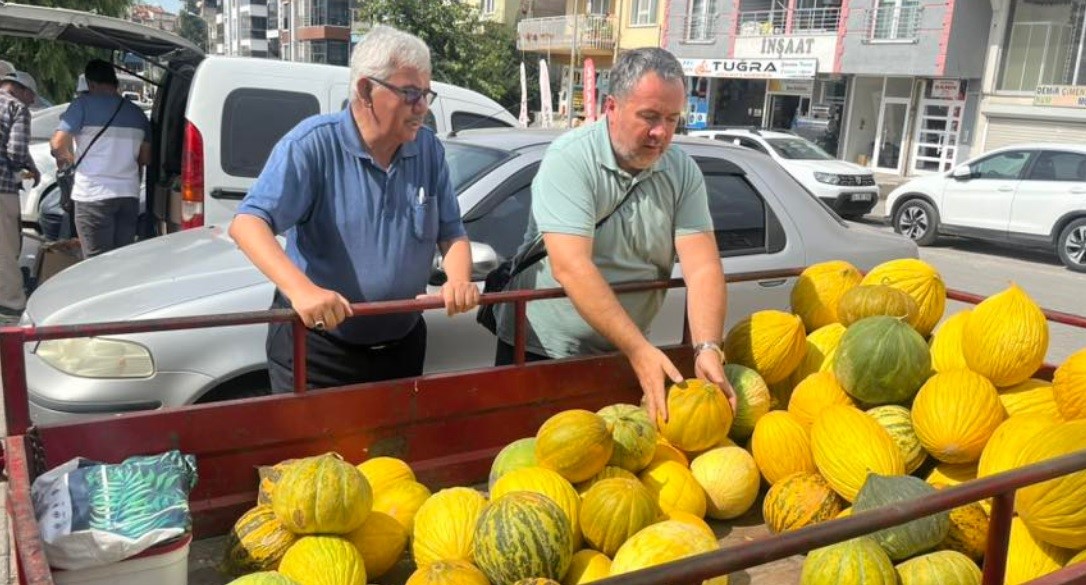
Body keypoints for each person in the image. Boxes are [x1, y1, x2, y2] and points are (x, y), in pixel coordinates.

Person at [229, 25, 479, 393]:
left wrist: (458, 280)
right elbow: (248, 223)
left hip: (401, 347)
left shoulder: (428, 149)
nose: (422, 107)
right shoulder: (312, 144)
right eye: (410, 93)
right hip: (319, 349)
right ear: (365, 90)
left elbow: (452, 232)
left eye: (426, 94)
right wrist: (302, 291)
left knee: (397, 433)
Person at [493, 48, 736, 422]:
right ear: (611, 107)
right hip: (545, 352)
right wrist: (638, 349)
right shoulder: (571, 159)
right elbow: (571, 266)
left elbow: (702, 266)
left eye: (672, 119)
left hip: (624, 352)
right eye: (649, 117)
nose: (661, 132)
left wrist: (707, 348)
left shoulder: (682, 171)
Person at [50, 59, 150, 258]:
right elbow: (146, 158)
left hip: (93, 196)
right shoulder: (137, 114)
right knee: (121, 257)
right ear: (116, 83)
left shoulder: (82, 105)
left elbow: (57, 144)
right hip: (128, 196)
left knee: (96, 262)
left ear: (91, 84)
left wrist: (69, 160)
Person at [0, 71, 40, 324]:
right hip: (2, 187)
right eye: (30, 97)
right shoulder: (17, 108)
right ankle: (11, 302)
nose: (31, 102)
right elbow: (15, 152)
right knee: (6, 247)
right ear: (20, 90)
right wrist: (22, 170)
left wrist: (31, 163)